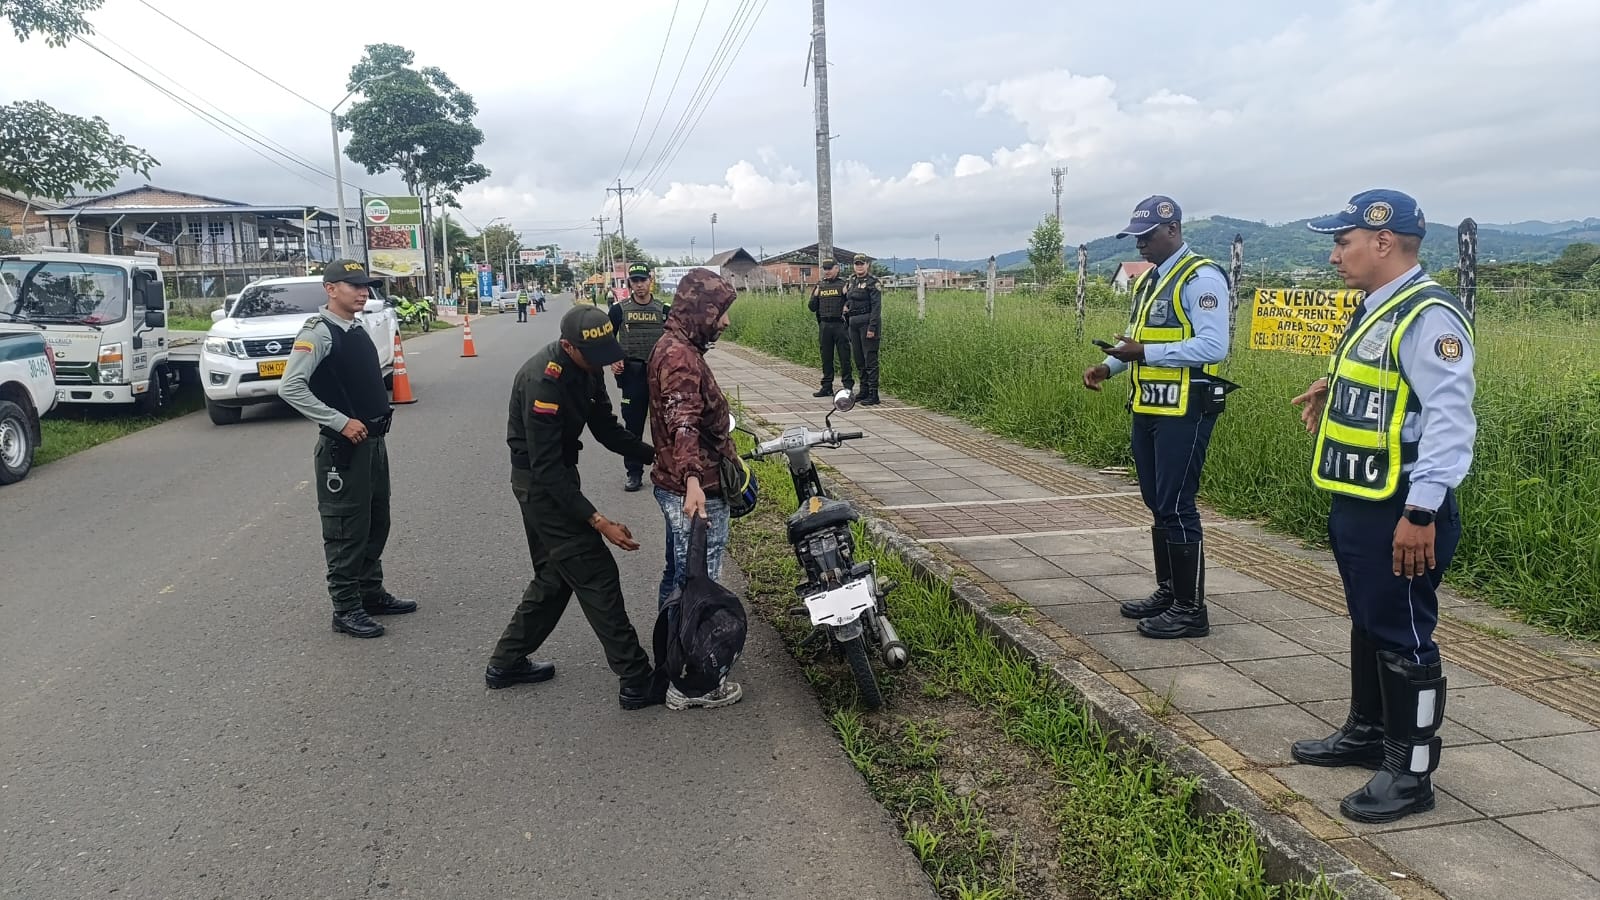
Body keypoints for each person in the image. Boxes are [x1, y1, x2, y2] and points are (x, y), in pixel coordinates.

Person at [1289, 190, 1476, 825]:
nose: (1335, 254)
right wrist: (1330, 388)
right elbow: (1394, 389)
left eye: (1343, 242)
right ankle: (1368, 732)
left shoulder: (1428, 315)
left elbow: (1449, 421)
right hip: (1361, 497)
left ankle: (1410, 774)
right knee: (1370, 621)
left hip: (1401, 506)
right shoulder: (1378, 309)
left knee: (1406, 634)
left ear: (1383, 242)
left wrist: (1421, 512)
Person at [485, 305, 661, 709]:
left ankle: (506, 662)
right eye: (592, 357)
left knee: (554, 576)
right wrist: (598, 521)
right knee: (595, 573)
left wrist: (656, 456)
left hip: (558, 477)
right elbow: (546, 470)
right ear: (568, 346)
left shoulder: (589, 362)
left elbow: (605, 428)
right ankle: (636, 679)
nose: (601, 363)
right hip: (542, 485)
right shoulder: (543, 381)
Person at [1082, 196, 1232, 640]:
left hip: (1186, 409)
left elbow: (1213, 347)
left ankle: (1191, 609)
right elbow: (1140, 343)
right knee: (1156, 500)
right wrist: (1109, 367)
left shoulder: (1201, 278)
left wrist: (1144, 352)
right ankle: (1169, 591)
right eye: (1136, 237)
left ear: (1173, 230)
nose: (1141, 245)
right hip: (1148, 406)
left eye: (1147, 236)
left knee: (1178, 503)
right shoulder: (1148, 282)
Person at [279, 259, 417, 639]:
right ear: (330, 289)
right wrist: (338, 421)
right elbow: (290, 387)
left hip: (372, 444)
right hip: (343, 450)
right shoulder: (319, 332)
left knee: (376, 521)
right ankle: (345, 607)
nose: (362, 291)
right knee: (345, 530)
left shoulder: (354, 328)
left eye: (365, 285)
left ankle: (370, 593)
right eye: (353, 285)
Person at [646, 267, 743, 711]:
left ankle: (669, 662)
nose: (724, 321)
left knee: (679, 577)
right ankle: (694, 685)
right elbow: (682, 420)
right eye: (719, 312)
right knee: (701, 588)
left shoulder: (674, 346)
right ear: (700, 309)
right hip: (694, 488)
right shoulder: (681, 357)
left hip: (676, 482)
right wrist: (692, 482)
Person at [609, 263, 670, 492]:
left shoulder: (664, 310)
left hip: (659, 374)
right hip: (632, 375)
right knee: (632, 426)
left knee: (664, 424)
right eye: (635, 281)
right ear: (629, 284)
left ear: (650, 280)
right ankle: (634, 472)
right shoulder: (618, 310)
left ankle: (667, 469)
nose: (639, 285)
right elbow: (606, 338)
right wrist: (614, 359)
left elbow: (677, 340)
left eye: (643, 280)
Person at [807, 258, 853, 398]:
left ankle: (847, 388)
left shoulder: (844, 284)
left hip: (840, 325)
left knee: (844, 357)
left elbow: (853, 303)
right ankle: (826, 387)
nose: (827, 271)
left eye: (829, 268)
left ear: (837, 268)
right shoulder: (820, 285)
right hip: (825, 325)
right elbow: (812, 307)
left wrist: (847, 300)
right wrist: (815, 295)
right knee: (826, 357)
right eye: (825, 269)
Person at [843, 252, 882, 405]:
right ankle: (864, 390)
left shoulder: (873, 282)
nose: (859, 266)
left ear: (867, 265)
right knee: (859, 358)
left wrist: (872, 327)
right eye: (857, 264)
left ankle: (874, 393)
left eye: (862, 263)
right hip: (853, 322)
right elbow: (849, 298)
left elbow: (876, 307)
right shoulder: (851, 280)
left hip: (867, 322)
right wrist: (846, 307)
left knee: (870, 358)